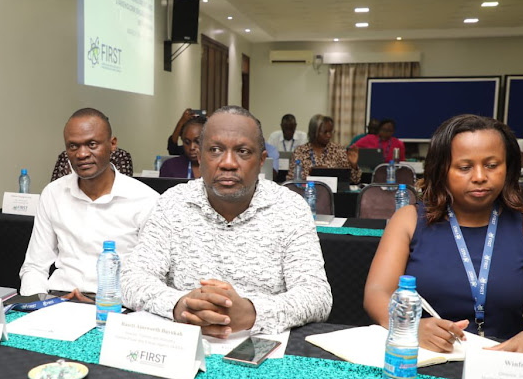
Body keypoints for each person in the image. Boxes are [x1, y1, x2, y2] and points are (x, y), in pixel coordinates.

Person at [121, 105, 332, 338]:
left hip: (262, 345)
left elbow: (316, 296)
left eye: (242, 151)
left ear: (262, 160)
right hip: (182, 343)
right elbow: (132, 279)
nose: (228, 163)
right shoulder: (172, 203)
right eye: (215, 150)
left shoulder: (290, 208)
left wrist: (252, 313)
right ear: (200, 157)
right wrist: (179, 305)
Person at [363, 114, 523, 355]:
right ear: (441, 169)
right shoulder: (408, 221)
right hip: (424, 358)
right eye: (464, 167)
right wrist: (410, 327)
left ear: (509, 167)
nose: (480, 176)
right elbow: (376, 293)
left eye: (492, 165)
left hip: (501, 366)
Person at [20, 108, 159, 297]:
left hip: (117, 304)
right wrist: (36, 305)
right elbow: (35, 265)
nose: (82, 154)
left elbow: (153, 278)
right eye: (73, 146)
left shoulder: (146, 200)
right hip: (60, 300)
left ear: (112, 144)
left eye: (92, 144)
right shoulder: (53, 194)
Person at [287, 114, 361, 183]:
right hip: (306, 193)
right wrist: (313, 175)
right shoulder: (300, 151)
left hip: (333, 195)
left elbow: (354, 181)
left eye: (331, 131)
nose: (329, 135)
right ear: (314, 132)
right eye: (325, 132)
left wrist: (353, 166)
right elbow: (290, 180)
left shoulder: (338, 150)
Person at [51, 148, 133, 181]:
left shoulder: (120, 155)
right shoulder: (66, 156)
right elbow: (56, 184)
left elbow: (124, 185)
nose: (83, 154)